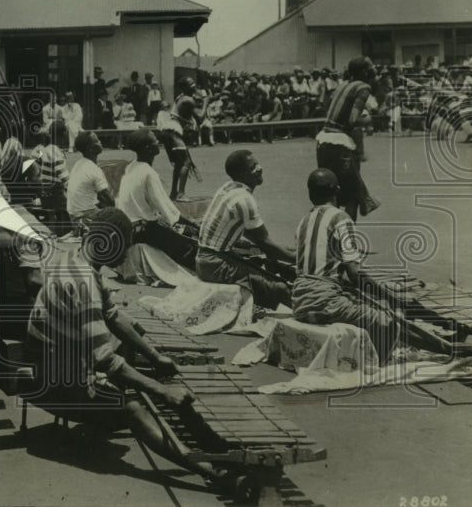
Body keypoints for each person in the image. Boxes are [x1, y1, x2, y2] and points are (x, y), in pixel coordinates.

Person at [24, 208, 244, 496]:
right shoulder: (82, 282)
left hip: (61, 359)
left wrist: (155, 356)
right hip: (53, 379)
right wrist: (161, 391)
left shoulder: (79, 258)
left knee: (147, 373)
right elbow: (105, 359)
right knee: (133, 409)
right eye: (125, 246)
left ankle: (216, 447)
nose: (126, 254)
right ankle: (213, 472)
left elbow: (113, 317)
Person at [292, 170, 472, 362]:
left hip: (299, 300)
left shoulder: (304, 221)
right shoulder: (341, 218)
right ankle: (447, 350)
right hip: (325, 302)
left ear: (310, 194)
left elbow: (318, 267)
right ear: (337, 191)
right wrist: (387, 295)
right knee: (388, 321)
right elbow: (354, 273)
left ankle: (444, 329)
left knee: (373, 302)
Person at [195, 150, 293, 308]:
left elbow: (253, 235)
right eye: (253, 167)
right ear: (242, 173)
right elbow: (265, 244)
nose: (259, 168)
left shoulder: (228, 188)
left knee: (265, 262)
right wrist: (298, 259)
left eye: (257, 164)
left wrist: (279, 250)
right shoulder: (244, 199)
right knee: (279, 287)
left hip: (206, 260)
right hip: (215, 264)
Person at [114, 130, 199, 282]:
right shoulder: (149, 173)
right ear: (147, 148)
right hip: (143, 230)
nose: (158, 143)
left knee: (178, 233)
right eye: (154, 141)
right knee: (191, 247)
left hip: (129, 227)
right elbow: (168, 211)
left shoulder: (131, 167)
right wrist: (194, 224)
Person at [315, 56, 380, 221]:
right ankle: (347, 241)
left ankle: (333, 237)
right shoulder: (364, 87)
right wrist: (369, 120)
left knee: (332, 194)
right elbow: (353, 120)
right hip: (340, 145)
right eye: (371, 67)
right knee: (353, 196)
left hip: (323, 142)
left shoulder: (342, 86)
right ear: (365, 71)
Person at [66, 131, 113, 224]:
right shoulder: (93, 169)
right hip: (85, 215)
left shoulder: (79, 164)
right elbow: (108, 199)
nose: (100, 142)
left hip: (74, 215)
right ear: (90, 149)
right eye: (97, 141)